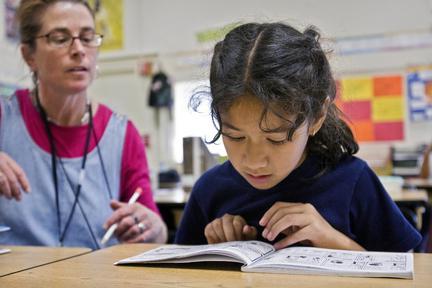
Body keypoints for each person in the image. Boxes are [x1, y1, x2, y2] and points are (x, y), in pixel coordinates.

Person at [175, 22, 421, 252]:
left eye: (276, 139)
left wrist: (333, 241)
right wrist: (216, 252)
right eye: (235, 136)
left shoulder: (352, 182)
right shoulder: (210, 191)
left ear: (317, 117)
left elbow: (408, 273)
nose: (254, 161)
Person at [0, 0, 167, 249]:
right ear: (29, 55)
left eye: (88, 37)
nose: (79, 49)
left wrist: (153, 228)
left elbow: (156, 232)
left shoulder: (122, 134)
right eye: (59, 38)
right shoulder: (5, 117)